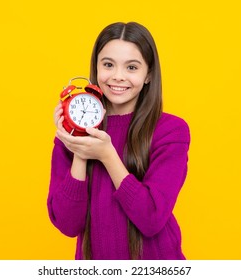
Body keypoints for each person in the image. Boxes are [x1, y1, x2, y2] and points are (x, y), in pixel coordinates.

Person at [47, 22, 190, 260]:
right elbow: (67, 224)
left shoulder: (171, 131)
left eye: (132, 67)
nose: (118, 76)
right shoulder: (72, 131)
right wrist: (79, 147)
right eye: (108, 64)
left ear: (149, 75)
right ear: (96, 67)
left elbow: (151, 218)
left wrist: (107, 155)